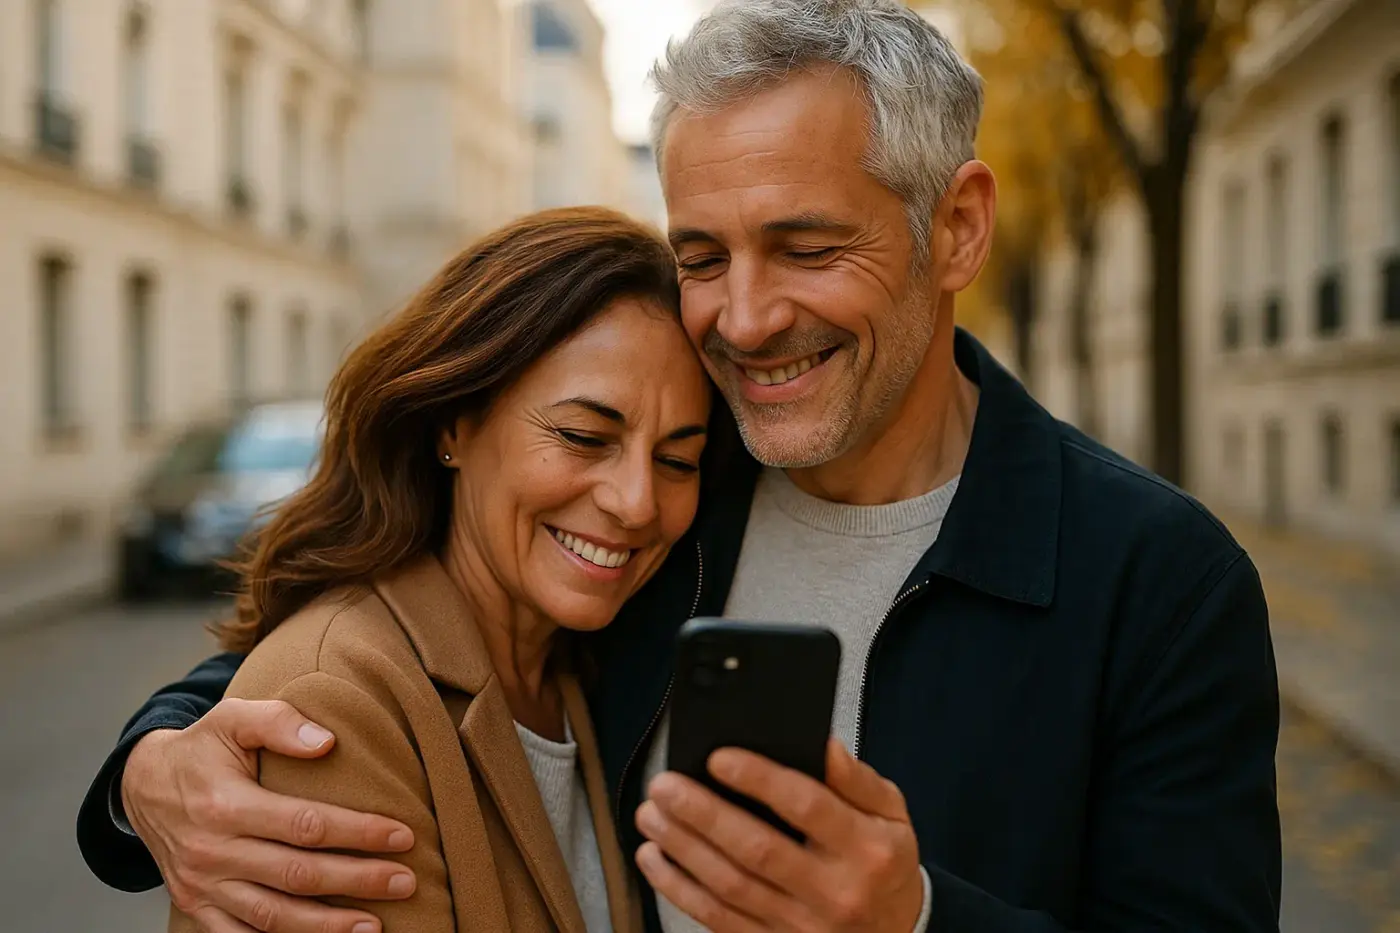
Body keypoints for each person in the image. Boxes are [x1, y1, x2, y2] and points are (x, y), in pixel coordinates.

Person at [79, 2, 1283, 932]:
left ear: (955, 227)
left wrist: (914, 919)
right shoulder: (672, 488)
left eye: (804, 246)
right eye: (700, 254)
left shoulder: (1156, 582)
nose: (744, 320)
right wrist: (152, 763)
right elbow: (393, 639)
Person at [156, 206, 715, 931]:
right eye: (583, 436)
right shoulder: (332, 705)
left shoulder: (578, 666)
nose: (638, 502)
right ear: (455, 424)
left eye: (677, 459)